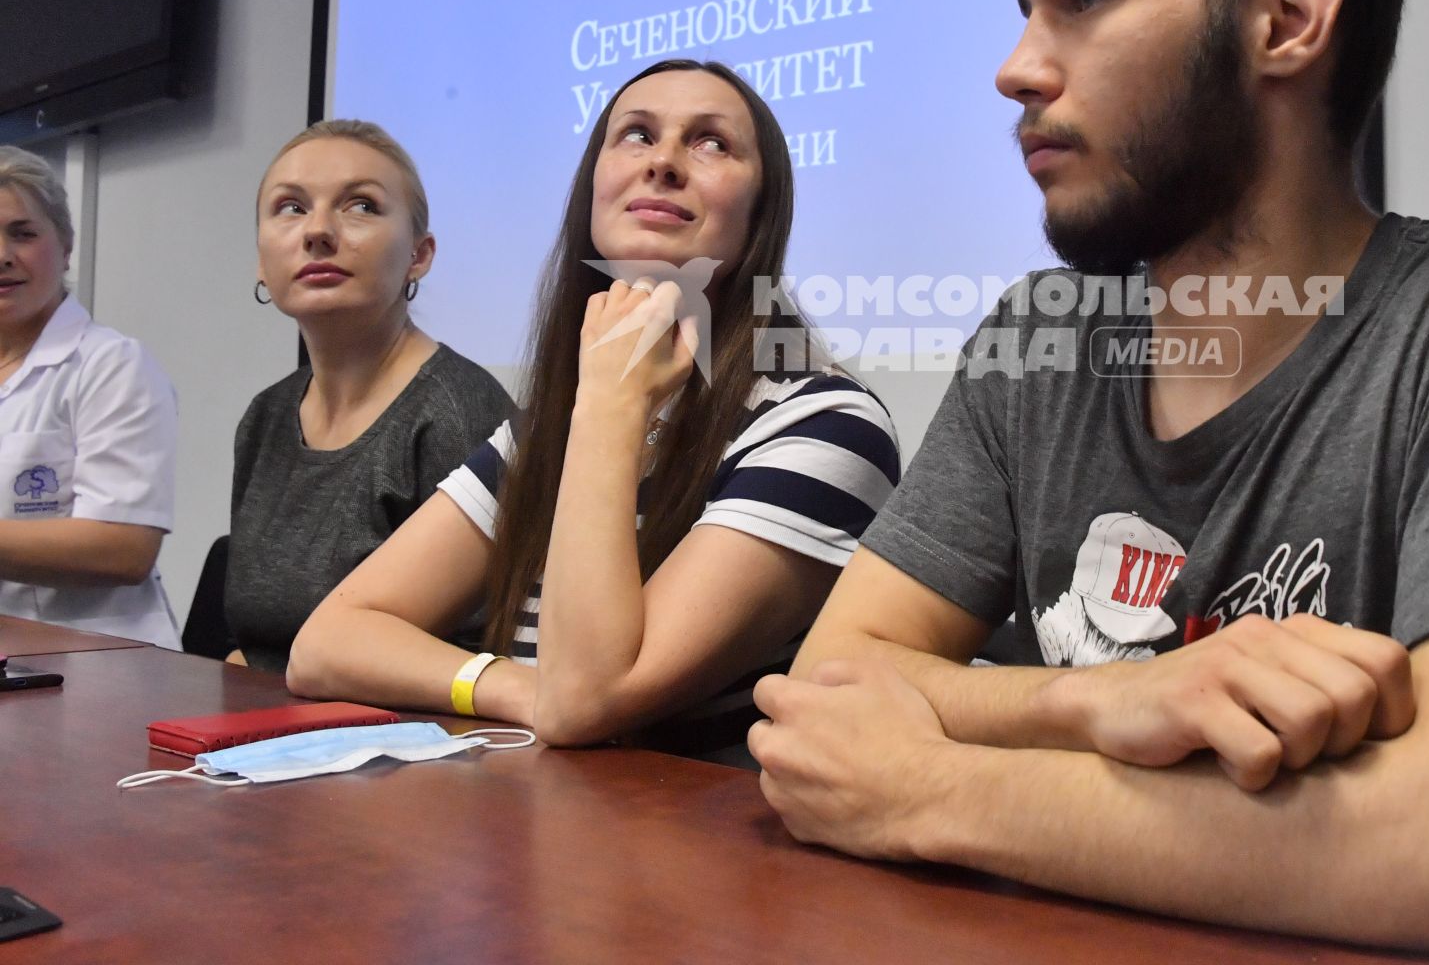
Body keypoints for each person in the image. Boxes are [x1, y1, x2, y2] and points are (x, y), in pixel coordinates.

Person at [750, 0, 1429, 956]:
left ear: (1286, 16)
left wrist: (929, 785)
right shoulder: (1043, 336)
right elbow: (830, 685)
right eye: (1028, 11)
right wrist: (1106, 698)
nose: (1016, 70)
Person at [287, 60, 900, 755]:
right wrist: (511, 687)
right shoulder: (547, 430)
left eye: (710, 143)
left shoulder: (825, 427)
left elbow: (585, 700)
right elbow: (328, 641)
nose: (664, 162)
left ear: (761, 213)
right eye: (635, 135)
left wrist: (612, 402)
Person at [224, 121, 514, 671]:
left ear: (419, 255)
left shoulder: (458, 412)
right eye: (290, 207)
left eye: (360, 206)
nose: (317, 232)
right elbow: (257, 642)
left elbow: (481, 652)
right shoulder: (264, 416)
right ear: (262, 262)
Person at [0, 146, 179, 647]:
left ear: (66, 245)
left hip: (94, 661)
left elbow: (124, 547)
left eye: (23, 233)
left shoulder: (112, 364)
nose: (2, 255)